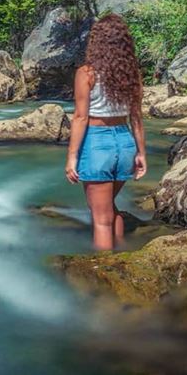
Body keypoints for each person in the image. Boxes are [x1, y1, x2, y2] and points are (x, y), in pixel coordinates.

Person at [64, 13, 146, 250]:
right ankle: (122, 256)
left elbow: (80, 117)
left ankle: (104, 275)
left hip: (97, 142)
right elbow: (137, 117)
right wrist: (141, 153)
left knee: (100, 219)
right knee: (109, 205)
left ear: (97, 42)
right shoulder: (131, 75)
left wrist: (72, 156)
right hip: (125, 142)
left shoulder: (86, 73)